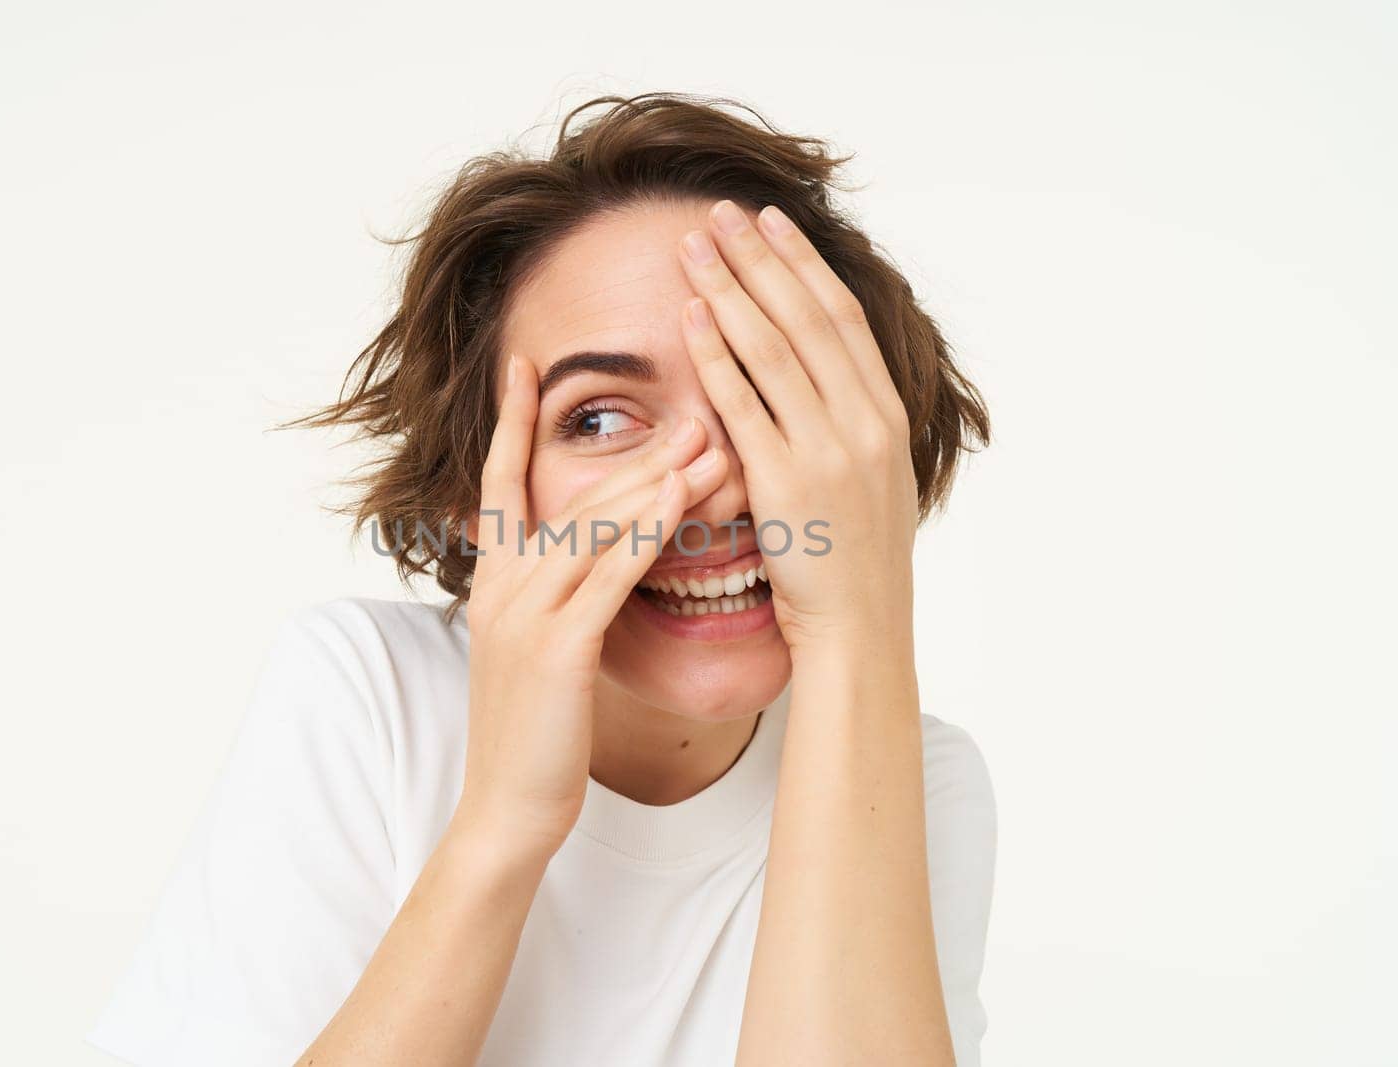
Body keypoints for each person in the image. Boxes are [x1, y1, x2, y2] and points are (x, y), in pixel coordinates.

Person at [87, 91, 998, 1067]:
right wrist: (504, 822)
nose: (718, 488)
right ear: (471, 502)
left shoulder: (915, 775)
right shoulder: (368, 695)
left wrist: (861, 627)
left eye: (770, 392)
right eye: (599, 418)